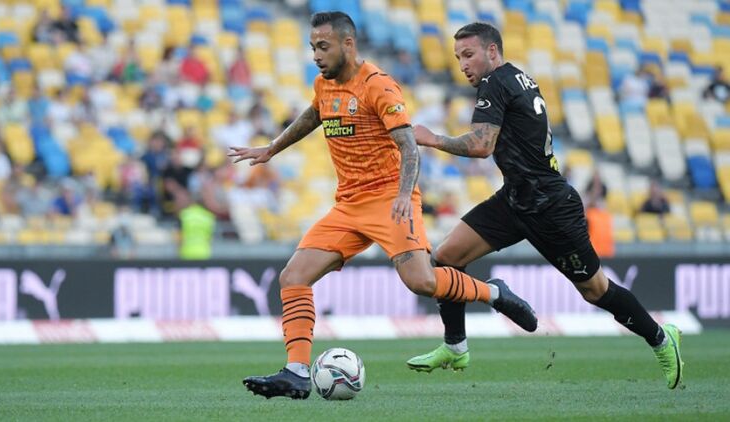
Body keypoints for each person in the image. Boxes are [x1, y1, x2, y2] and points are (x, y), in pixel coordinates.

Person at [229, 12, 536, 400]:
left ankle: (494, 294)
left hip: (390, 199)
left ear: (348, 44)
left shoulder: (378, 85)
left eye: (323, 47)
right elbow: (314, 114)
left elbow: (409, 146)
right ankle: (297, 372)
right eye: (312, 48)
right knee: (293, 277)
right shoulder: (324, 84)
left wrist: (404, 195)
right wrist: (272, 148)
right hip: (348, 205)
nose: (316, 55)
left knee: (422, 282)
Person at [409, 22, 684, 389]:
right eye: (458, 57)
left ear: (492, 51)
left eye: (469, 55)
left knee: (596, 290)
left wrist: (433, 139)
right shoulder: (517, 77)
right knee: (446, 257)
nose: (463, 65)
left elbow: (481, 145)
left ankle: (662, 338)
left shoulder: (495, 82)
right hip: (516, 198)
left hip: (549, 206)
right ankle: (455, 347)